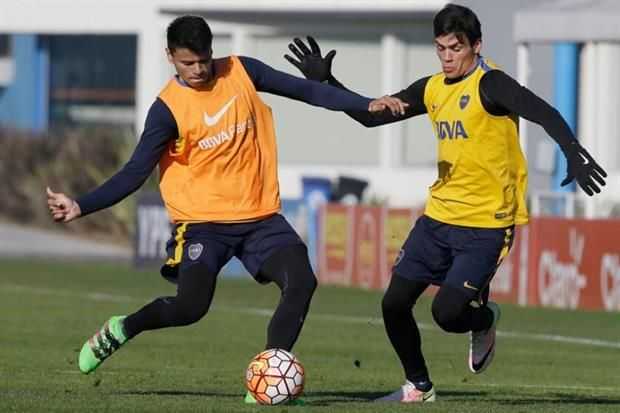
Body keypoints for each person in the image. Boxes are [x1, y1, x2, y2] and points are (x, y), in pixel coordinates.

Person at [46, 15, 406, 404]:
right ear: (170, 57)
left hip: (260, 217)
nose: (199, 69)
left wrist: (364, 103)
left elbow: (306, 91)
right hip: (202, 225)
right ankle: (123, 328)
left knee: (301, 281)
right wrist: (81, 204)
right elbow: (135, 172)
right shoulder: (167, 109)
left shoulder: (241, 71)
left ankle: (266, 382)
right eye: (188, 63)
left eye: (204, 59)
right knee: (190, 307)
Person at [285, 3, 607, 403]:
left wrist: (573, 152)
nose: (447, 56)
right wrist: (328, 82)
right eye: (441, 48)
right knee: (394, 304)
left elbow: (545, 112)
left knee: (448, 314)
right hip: (437, 219)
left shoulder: (492, 85)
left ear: (476, 45)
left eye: (455, 48)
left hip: (487, 225)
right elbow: (372, 116)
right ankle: (418, 386)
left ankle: (484, 317)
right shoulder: (432, 88)